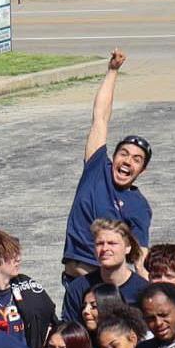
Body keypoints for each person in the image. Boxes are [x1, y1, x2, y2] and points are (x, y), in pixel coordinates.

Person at [61, 49, 150, 275]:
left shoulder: (139, 205)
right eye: (124, 154)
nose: (128, 161)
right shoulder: (97, 168)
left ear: (142, 170)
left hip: (107, 283)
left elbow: (141, 257)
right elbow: (100, 117)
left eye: (137, 159)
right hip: (75, 279)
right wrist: (112, 71)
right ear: (114, 157)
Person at [63, 219, 148, 317]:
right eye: (99, 244)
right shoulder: (78, 289)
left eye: (112, 243)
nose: (104, 249)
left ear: (128, 247)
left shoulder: (143, 291)